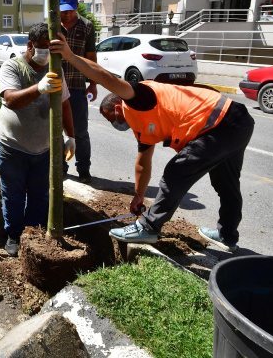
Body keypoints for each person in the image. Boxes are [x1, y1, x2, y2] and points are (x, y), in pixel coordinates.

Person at [50, 33, 255, 252]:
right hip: (237, 121)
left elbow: (105, 78)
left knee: (176, 172)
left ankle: (149, 227)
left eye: (113, 118)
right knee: (227, 184)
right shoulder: (143, 126)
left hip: (218, 123)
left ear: (118, 107)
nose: (116, 124)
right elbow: (142, 163)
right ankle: (227, 235)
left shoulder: (137, 96)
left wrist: (70, 56)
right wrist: (139, 196)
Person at [0, 23, 75, 256]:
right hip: (12, 146)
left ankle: (33, 234)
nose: (46, 55)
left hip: (44, 148)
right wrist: (39, 88)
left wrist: (71, 136)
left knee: (40, 194)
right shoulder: (13, 66)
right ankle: (14, 235)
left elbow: (65, 104)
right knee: (13, 193)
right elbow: (10, 99)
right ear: (30, 46)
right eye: (42, 48)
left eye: (51, 50)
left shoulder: (55, 69)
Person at [59, 0, 98, 183]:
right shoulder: (53, 26)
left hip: (76, 86)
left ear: (76, 8)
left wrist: (93, 84)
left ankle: (84, 169)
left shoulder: (87, 27)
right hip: (55, 87)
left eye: (70, 11)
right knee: (56, 131)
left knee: (80, 131)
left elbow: (91, 57)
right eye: (63, 11)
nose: (66, 14)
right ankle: (61, 168)